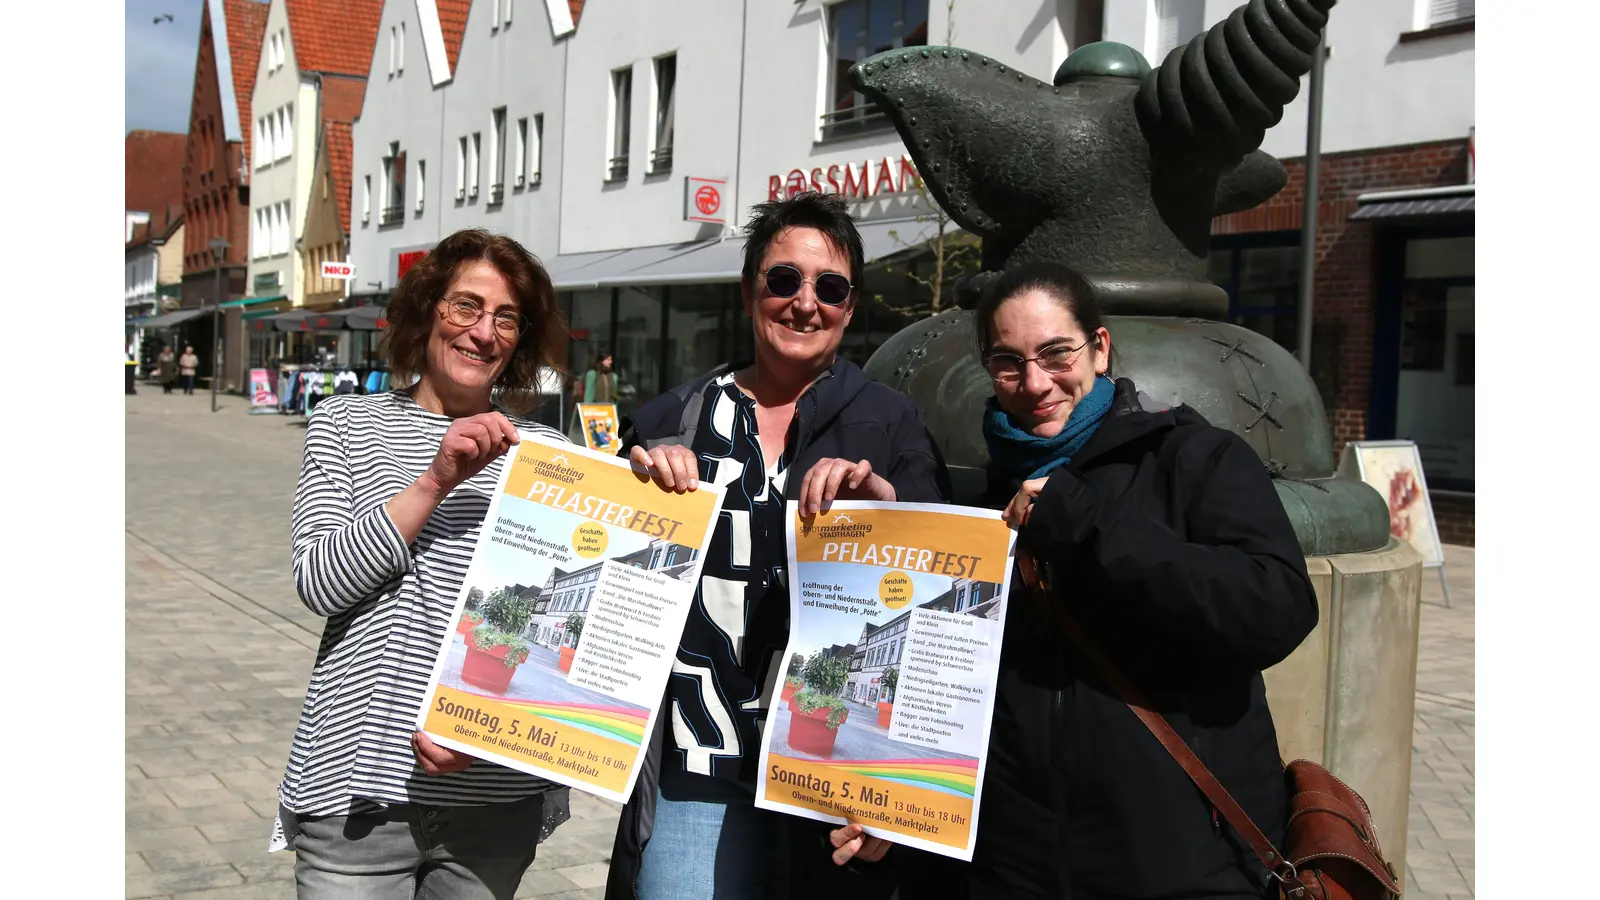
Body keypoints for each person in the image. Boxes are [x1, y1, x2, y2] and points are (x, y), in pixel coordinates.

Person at [835, 262, 1317, 898]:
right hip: (1014, 870)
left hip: (1183, 866)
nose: (1035, 383)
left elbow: (1276, 607)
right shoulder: (979, 503)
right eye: (1008, 362)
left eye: (1055, 352)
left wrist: (1086, 527)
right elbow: (941, 690)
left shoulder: (1194, 458)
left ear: (1100, 347)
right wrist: (892, 814)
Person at [605, 191, 953, 900]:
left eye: (829, 287)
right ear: (749, 291)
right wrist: (632, 494)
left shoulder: (889, 423)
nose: (805, 302)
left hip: (834, 781)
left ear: (849, 307)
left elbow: (942, 605)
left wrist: (889, 515)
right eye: (783, 279)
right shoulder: (674, 418)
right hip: (699, 765)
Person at [276, 228, 575, 899]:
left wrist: (662, 477)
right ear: (427, 308)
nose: (484, 333)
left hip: (495, 794)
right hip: (357, 791)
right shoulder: (345, 425)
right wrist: (434, 480)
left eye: (505, 317)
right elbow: (319, 582)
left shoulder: (549, 454)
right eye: (465, 306)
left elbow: (564, 625)